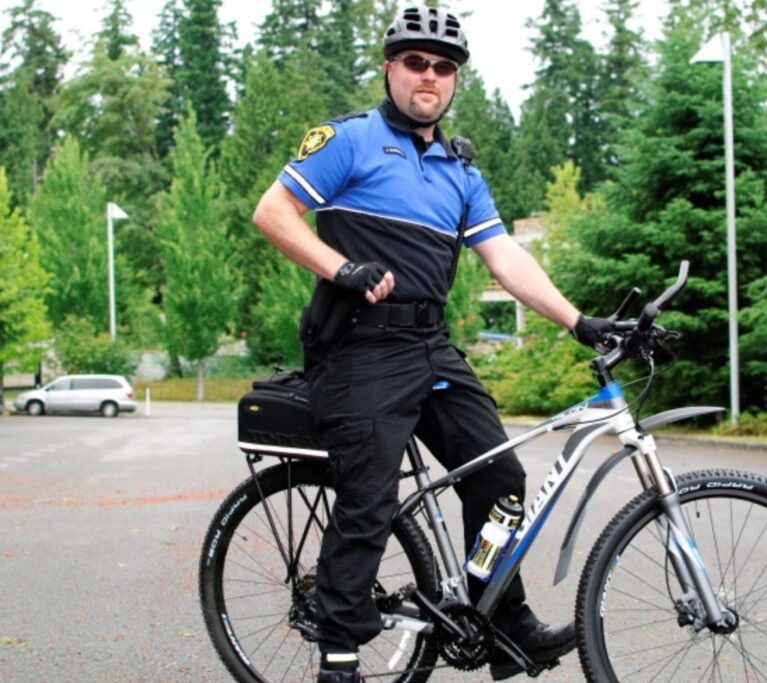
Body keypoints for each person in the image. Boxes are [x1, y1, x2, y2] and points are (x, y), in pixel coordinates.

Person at [252, 7, 615, 682]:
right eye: (415, 62)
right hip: (357, 347)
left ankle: (502, 621)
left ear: (454, 82)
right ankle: (338, 654)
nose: (429, 76)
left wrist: (578, 320)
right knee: (368, 499)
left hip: (430, 346)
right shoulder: (349, 140)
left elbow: (505, 258)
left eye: (443, 67)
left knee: (502, 478)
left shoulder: (458, 169)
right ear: (390, 67)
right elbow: (272, 212)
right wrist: (340, 267)